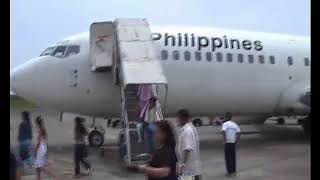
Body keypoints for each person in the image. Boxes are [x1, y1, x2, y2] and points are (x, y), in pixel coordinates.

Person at [176, 109, 202, 180]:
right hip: (189, 167)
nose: (177, 120)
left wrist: (182, 165)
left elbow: (187, 149)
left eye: (178, 118)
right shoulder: (187, 128)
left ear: (183, 118)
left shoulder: (187, 131)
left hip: (188, 168)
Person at [221, 112, 241, 176]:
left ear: (226, 117)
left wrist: (224, 140)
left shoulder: (225, 124)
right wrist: (236, 140)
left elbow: (223, 131)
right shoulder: (234, 124)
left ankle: (229, 172)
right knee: (233, 157)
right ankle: (234, 171)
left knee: (228, 158)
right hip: (233, 142)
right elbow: (239, 133)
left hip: (227, 143)